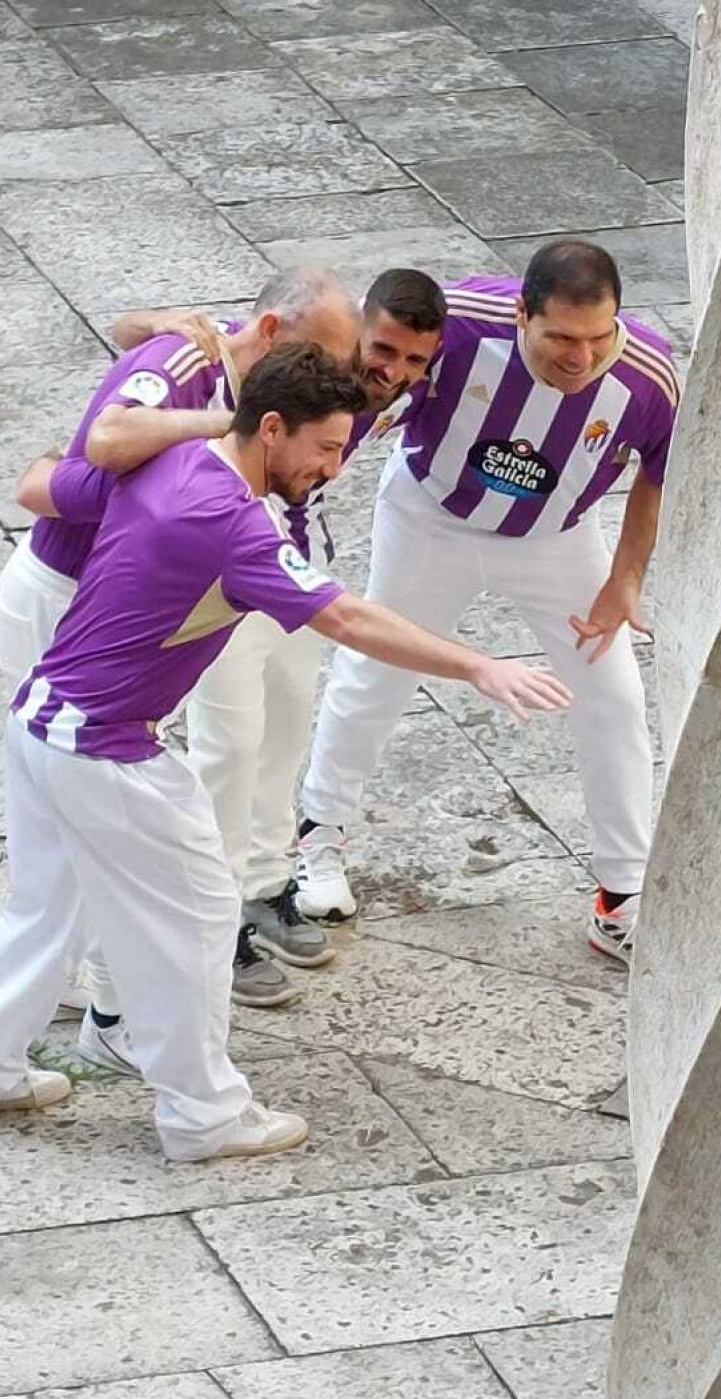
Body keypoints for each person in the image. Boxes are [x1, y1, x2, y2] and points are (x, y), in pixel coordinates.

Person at [0, 345, 571, 1162]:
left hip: (37, 723)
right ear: (270, 429)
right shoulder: (235, 526)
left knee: (44, 906)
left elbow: (44, 482)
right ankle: (204, 1116)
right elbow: (350, 621)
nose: (333, 467)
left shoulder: (173, 459)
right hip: (108, 751)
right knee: (198, 915)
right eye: (325, 448)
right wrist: (479, 664)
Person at [4, 267, 361, 1053]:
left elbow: (133, 333)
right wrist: (229, 426)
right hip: (70, 594)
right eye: (325, 357)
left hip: (106, 593)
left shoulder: (229, 357)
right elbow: (102, 445)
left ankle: (54, 1019)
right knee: (102, 838)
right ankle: (115, 1016)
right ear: (270, 337)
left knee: (69, 849)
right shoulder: (201, 382)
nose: (332, 379)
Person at [295, 240, 680, 965]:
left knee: (616, 698)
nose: (581, 358)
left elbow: (659, 467)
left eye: (600, 338)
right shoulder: (462, 320)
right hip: (429, 515)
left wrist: (626, 577)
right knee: (375, 670)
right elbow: (372, 361)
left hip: (556, 541)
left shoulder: (648, 374)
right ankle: (318, 832)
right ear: (520, 313)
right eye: (561, 338)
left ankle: (620, 897)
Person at [182, 269, 447, 1007]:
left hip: (297, 567)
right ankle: (214, 918)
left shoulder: (388, 385)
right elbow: (209, 336)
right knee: (227, 750)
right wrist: (153, 322)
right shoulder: (289, 362)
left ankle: (265, 888)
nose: (390, 372)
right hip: (224, 576)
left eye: (411, 362)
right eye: (381, 349)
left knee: (285, 730)